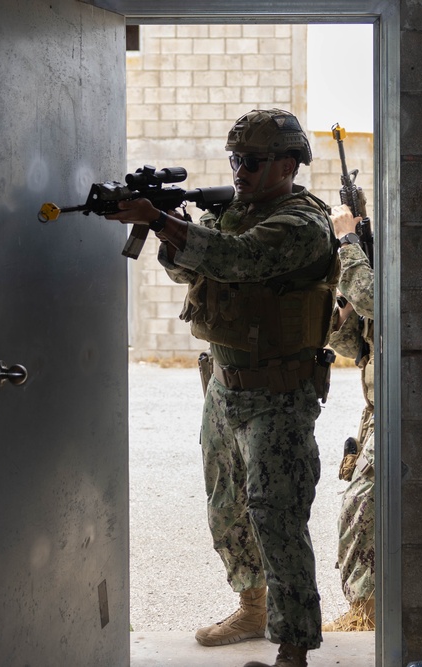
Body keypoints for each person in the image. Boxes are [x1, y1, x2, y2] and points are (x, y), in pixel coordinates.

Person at [105, 109, 339, 667]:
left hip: (279, 395)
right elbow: (197, 272)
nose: (239, 171)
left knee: (278, 516)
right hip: (225, 387)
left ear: (288, 164)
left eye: (251, 162)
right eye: (235, 160)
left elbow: (242, 259)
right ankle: (252, 605)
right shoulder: (239, 212)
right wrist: (171, 228)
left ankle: (294, 649)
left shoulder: (301, 223)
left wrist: (166, 223)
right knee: (227, 506)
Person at [325, 200, 376, 632]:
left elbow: (377, 302)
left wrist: (348, 244)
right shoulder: (365, 265)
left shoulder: (386, 264)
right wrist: (342, 310)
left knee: (361, 511)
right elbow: (353, 348)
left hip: (404, 414)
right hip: (377, 414)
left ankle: (368, 615)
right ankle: (368, 610)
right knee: (359, 511)